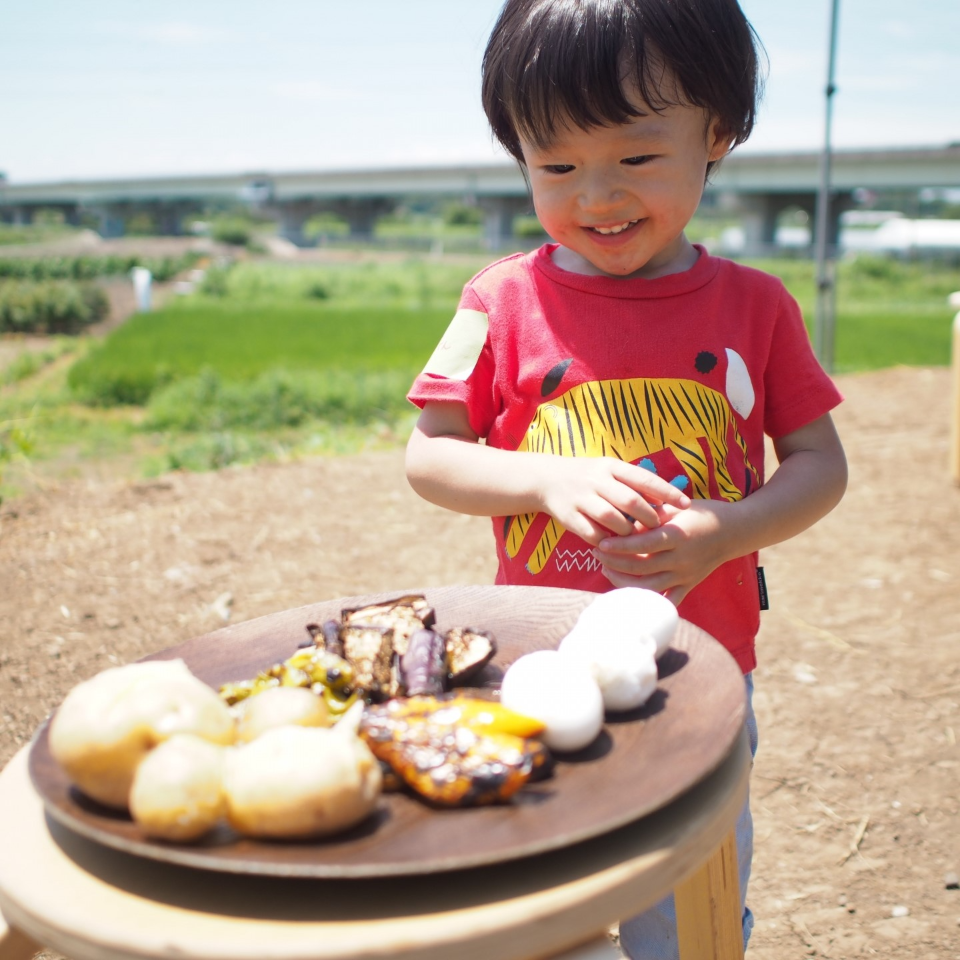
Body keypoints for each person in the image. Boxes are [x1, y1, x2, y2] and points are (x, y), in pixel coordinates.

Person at [404, 0, 848, 955]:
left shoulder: (757, 307)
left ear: (716, 134)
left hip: (701, 667)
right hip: (532, 666)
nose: (597, 197)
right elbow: (431, 454)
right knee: (534, 909)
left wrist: (731, 530)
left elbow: (817, 464)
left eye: (637, 159)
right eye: (556, 166)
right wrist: (539, 482)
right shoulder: (498, 300)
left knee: (687, 907)